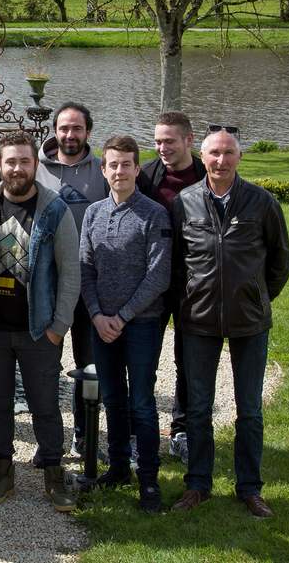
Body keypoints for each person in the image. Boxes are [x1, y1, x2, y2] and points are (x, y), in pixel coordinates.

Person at [170, 128, 289, 518]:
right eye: (214, 154)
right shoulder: (184, 202)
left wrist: (255, 296)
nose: (221, 161)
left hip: (249, 322)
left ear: (240, 157)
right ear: (202, 156)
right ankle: (198, 485)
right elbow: (175, 263)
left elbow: (279, 262)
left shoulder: (261, 202)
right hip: (199, 320)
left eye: (228, 153)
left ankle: (250, 488)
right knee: (199, 409)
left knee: (249, 409)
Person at [0, 131, 79, 513]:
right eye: (10, 161)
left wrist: (58, 326)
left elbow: (70, 272)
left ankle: (54, 474)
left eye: (24, 161)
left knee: (45, 405)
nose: (17, 168)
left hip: (38, 329)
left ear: (35, 164)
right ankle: (2, 471)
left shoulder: (55, 210)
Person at [79, 135, 171, 514]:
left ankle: (148, 479)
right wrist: (98, 315)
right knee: (112, 398)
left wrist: (123, 315)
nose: (120, 170)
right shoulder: (93, 214)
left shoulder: (154, 214)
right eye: (113, 164)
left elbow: (159, 274)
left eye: (127, 164)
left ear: (137, 168)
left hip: (142, 323)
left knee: (143, 402)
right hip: (103, 324)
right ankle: (118, 468)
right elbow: (85, 268)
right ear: (104, 170)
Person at [35, 101, 107, 457]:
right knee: (45, 365)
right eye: (64, 128)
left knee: (89, 365)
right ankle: (48, 441)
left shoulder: (103, 170)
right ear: (55, 131)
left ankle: (84, 435)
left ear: (88, 132)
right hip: (49, 284)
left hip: (90, 285)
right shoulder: (37, 169)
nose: (69, 135)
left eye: (77, 129)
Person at [137, 111, 206, 465]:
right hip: (152, 282)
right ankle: (141, 430)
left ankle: (181, 428)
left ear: (189, 141)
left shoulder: (207, 176)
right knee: (144, 358)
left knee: (188, 359)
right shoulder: (147, 175)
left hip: (194, 285)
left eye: (170, 141)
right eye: (158, 141)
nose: (162, 148)